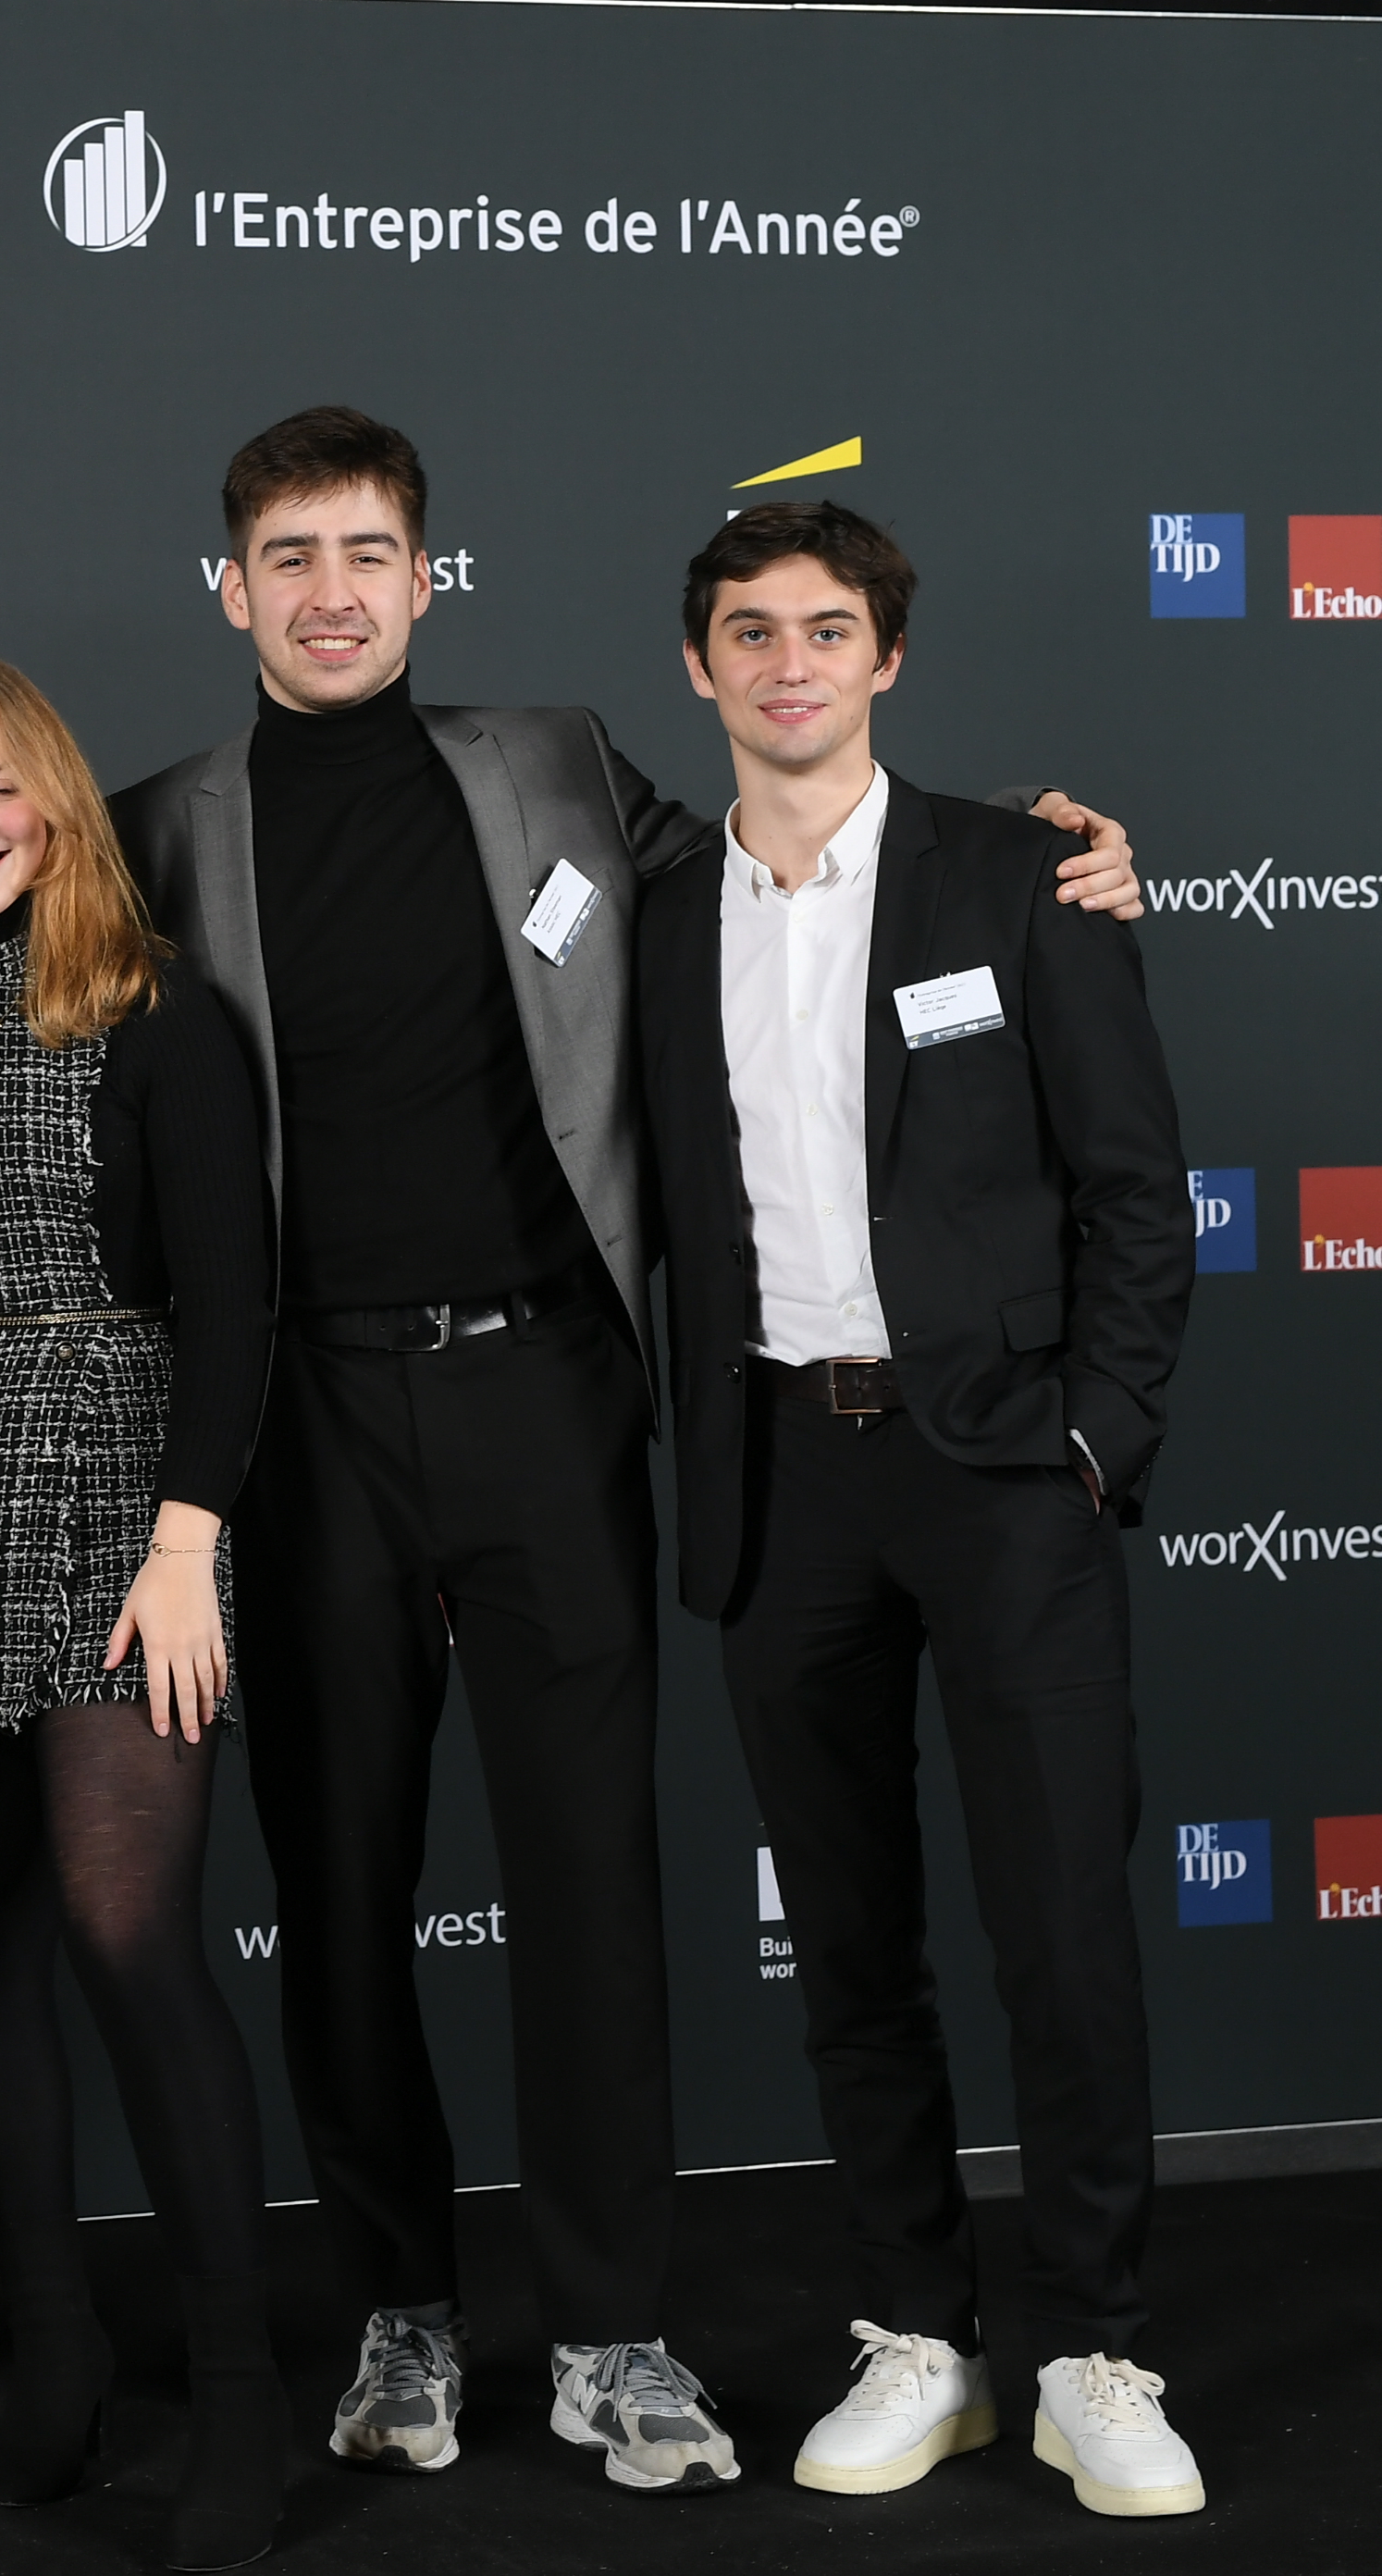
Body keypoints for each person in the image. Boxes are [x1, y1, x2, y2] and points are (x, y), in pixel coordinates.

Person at [108, 405, 1147, 2496]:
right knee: (337, 1885)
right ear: (230, 592)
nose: (331, 594)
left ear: (425, 580)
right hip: (306, 1414)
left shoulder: (559, 766)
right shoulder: (153, 833)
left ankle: (609, 2328)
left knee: (589, 1879)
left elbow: (796, 868)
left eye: (368, 554)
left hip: (549, 1390)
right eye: (289, 558)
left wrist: (1070, 859)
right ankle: (401, 2311)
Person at [641, 502, 1197, 2516]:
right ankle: (920, 2334)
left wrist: (1092, 1441)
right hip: (779, 1473)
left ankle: (1094, 2349)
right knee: (851, 1937)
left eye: (826, 629)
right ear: (695, 668)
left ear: (886, 657)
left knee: (1060, 1929)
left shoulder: (1023, 873)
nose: (786, 663)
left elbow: (1135, 1190)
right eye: (748, 631)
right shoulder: (648, 911)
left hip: (1002, 1476)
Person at [0, 650, 281, 2569]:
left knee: (129, 1936)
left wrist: (184, 1547)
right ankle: (53, 2348)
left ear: (54, 802)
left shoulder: (156, 1007)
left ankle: (240, 2393)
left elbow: (234, 1303)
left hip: (117, 1481)